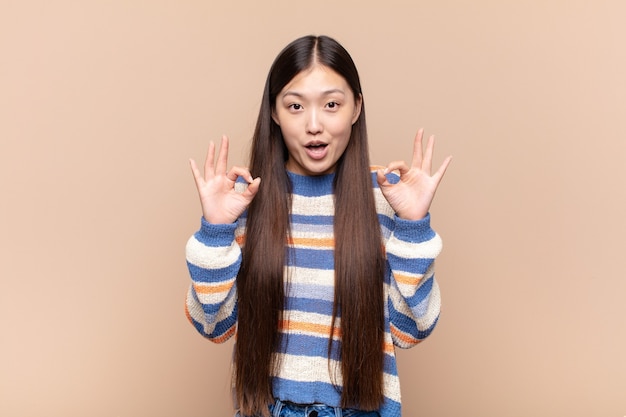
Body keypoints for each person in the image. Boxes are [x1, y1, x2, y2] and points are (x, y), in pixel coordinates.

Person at [185, 35, 451, 417]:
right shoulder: (244, 201)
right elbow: (213, 325)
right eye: (295, 106)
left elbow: (413, 330)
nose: (314, 125)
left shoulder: (387, 198)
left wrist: (413, 226)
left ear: (356, 108)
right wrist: (215, 229)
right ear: (274, 112)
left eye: (331, 105)